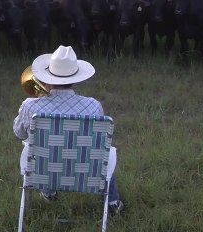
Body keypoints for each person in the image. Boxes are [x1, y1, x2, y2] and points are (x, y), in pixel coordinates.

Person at [13, 45, 123, 214]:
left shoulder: (30, 106)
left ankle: (49, 192)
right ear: (76, 79)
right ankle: (113, 202)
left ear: (47, 77)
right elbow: (99, 145)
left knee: (42, 148)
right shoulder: (93, 106)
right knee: (107, 153)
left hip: (43, 172)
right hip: (85, 174)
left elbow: (18, 133)